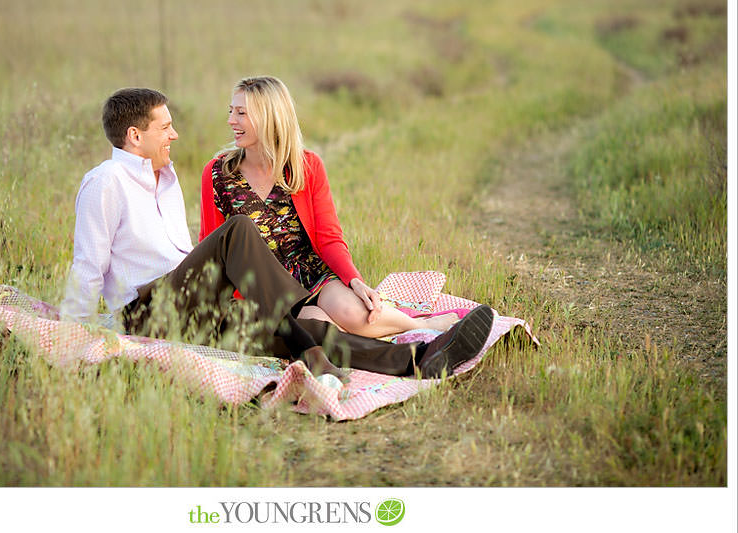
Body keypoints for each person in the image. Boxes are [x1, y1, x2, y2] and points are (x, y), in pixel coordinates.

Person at [61, 87, 494, 380]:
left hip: (192, 310)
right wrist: (73, 340)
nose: (175, 133)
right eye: (164, 127)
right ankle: (309, 350)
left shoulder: (167, 178)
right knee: (239, 233)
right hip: (148, 312)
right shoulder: (105, 183)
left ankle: (420, 359)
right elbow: (88, 265)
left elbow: (187, 256)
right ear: (135, 136)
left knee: (296, 327)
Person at [200, 75, 460, 339]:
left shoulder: (307, 167)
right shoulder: (218, 174)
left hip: (311, 273)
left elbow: (328, 238)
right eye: (231, 111)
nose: (231, 120)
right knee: (322, 329)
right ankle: (401, 347)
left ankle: (421, 327)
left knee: (355, 315)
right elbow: (212, 246)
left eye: (241, 113)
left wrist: (355, 281)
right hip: (264, 288)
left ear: (270, 117)